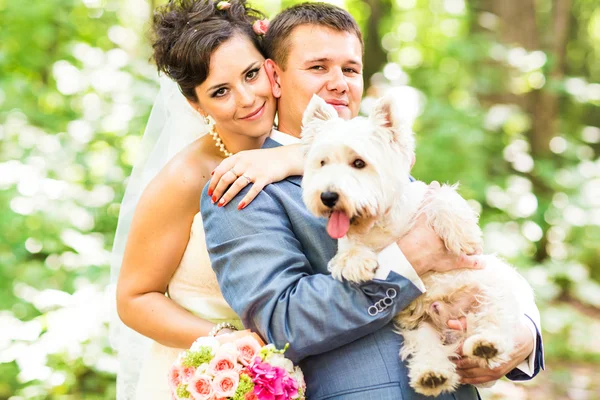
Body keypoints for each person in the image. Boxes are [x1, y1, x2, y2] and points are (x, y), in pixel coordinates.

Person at [201, 3, 544, 399]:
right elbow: (283, 323)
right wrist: (407, 260)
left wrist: (524, 330)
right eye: (318, 67)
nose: (339, 83)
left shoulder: (381, 158)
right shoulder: (242, 188)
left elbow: (471, 258)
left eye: (350, 69)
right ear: (275, 77)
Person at [111, 1, 305, 398]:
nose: (248, 98)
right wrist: (222, 341)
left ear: (271, 67)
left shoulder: (305, 146)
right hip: (217, 376)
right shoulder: (184, 180)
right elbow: (133, 298)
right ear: (195, 105)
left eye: (251, 74)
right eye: (221, 92)